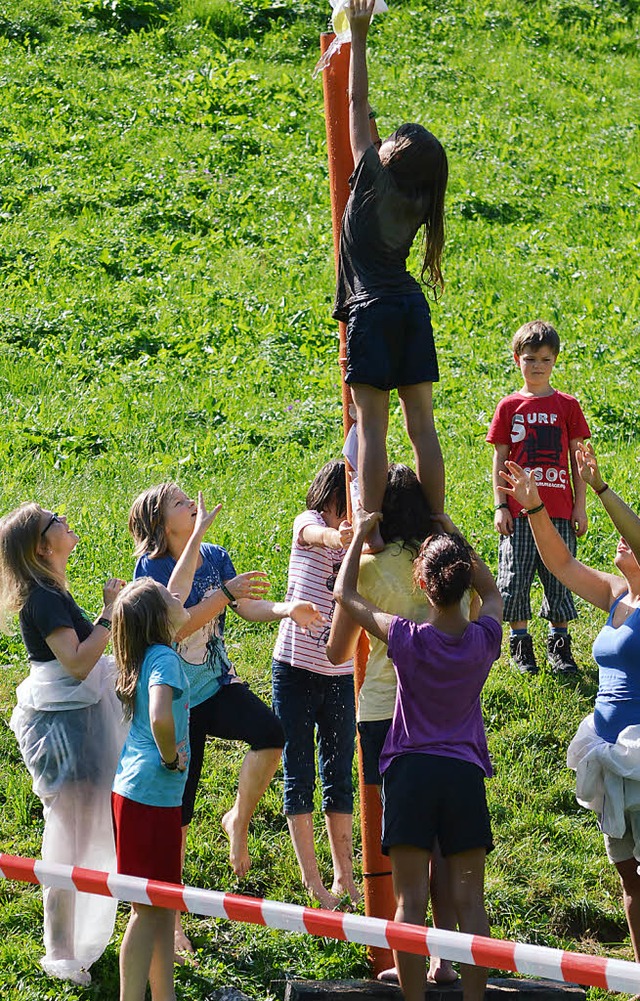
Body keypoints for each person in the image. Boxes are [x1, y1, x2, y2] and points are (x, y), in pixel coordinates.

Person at [128, 484, 324, 956]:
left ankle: (238, 818)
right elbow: (176, 623)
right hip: (176, 700)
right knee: (180, 811)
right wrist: (222, 593)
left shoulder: (214, 554)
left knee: (271, 735)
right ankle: (171, 921)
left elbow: (244, 605)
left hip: (216, 685)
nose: (189, 503)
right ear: (161, 524)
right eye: (178, 502)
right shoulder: (150, 569)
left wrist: (283, 610)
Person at [334, 503, 502, 1001]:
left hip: (410, 775)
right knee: (470, 901)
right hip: (463, 777)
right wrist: (455, 535)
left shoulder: (406, 638)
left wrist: (359, 536)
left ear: (423, 586)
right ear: (461, 583)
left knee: (409, 904)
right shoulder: (484, 639)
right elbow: (491, 593)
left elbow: (345, 594)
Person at [498, 443, 640, 960]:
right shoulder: (615, 594)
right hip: (609, 756)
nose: (619, 544)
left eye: (629, 540)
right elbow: (558, 563)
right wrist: (534, 508)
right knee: (630, 883)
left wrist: (599, 489)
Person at [327, 463, 458, 984]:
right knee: (445, 845)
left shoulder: (368, 569)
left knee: (406, 845)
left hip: (384, 713)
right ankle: (444, 960)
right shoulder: (445, 565)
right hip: (447, 714)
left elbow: (339, 652)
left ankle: (408, 966)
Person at [333, 0, 448, 550]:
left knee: (371, 427)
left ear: (393, 154)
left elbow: (355, 104)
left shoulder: (370, 177)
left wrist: (358, 32)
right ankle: (435, 525)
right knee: (421, 426)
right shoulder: (420, 198)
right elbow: (371, 122)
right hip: (409, 306)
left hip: (372, 309)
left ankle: (372, 531)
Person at [0, 503, 127, 986]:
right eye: (55, 520)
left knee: (77, 834)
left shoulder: (51, 591)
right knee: (67, 838)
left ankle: (71, 945)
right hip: (62, 729)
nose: (65, 519)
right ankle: (60, 952)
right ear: (41, 545)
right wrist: (110, 614)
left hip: (73, 724)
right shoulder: (44, 598)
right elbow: (75, 663)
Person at [271, 459, 359, 909]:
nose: (345, 518)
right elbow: (312, 533)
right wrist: (334, 535)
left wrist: (357, 538)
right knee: (298, 772)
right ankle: (314, 882)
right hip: (294, 671)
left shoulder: (361, 545)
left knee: (339, 774)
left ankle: (344, 876)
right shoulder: (308, 524)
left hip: (342, 676)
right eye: (341, 507)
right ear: (327, 500)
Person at [487, 319, 590, 675]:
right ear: (517, 358)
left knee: (561, 576)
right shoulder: (509, 406)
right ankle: (520, 647)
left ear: (555, 360)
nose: (537, 366)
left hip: (558, 511)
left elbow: (578, 461)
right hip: (518, 512)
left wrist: (580, 506)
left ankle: (559, 646)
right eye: (530, 358)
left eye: (545, 360)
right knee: (515, 577)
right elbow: (500, 458)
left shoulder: (568, 406)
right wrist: (501, 505)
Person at [111, 577, 191, 1001]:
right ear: (159, 616)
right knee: (147, 912)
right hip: (149, 796)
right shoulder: (164, 658)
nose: (176, 596)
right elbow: (161, 717)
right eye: (168, 595)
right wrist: (170, 757)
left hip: (141, 795)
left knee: (161, 909)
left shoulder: (151, 654)